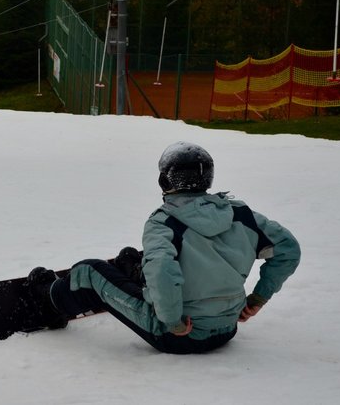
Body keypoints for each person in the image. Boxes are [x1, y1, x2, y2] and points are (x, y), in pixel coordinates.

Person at [24, 141, 300, 354]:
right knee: (159, 259)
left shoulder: (164, 222)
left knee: (88, 270)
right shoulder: (242, 215)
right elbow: (288, 250)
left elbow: (164, 272)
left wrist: (172, 321)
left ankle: (48, 303)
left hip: (180, 335)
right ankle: (137, 275)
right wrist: (258, 299)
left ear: (165, 180)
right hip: (226, 329)